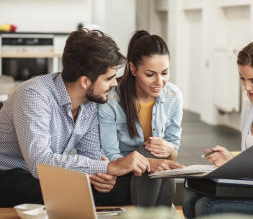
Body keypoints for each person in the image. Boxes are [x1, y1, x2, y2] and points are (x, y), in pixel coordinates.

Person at [0, 29, 150, 207]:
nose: (114, 83)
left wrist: (103, 176)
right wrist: (109, 167)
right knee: (53, 190)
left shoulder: (91, 102)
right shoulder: (34, 95)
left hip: (49, 177)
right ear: (85, 81)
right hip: (10, 175)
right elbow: (39, 163)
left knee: (127, 186)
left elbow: (91, 155)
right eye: (109, 78)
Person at [183, 40, 253, 218]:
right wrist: (232, 160)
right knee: (190, 195)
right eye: (242, 79)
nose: (246, 87)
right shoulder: (251, 106)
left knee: (208, 207)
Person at [98, 30, 183, 207]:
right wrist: (147, 162)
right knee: (147, 152)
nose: (159, 81)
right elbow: (110, 155)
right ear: (133, 68)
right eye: (150, 74)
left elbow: (173, 150)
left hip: (155, 174)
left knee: (158, 157)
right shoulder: (111, 101)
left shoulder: (174, 96)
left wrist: (169, 150)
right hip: (123, 171)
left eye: (165, 73)